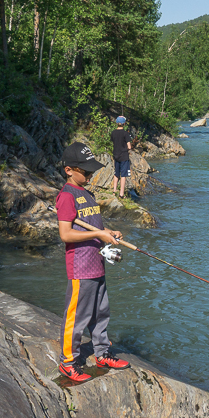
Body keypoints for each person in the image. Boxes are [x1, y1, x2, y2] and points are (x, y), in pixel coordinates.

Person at [55, 141, 131, 382]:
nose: (89, 176)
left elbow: (94, 226)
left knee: (101, 313)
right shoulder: (67, 197)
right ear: (69, 170)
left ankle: (102, 353)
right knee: (77, 317)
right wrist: (98, 234)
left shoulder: (87, 194)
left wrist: (108, 231)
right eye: (85, 172)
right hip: (80, 267)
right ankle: (68, 362)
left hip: (96, 264)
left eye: (91, 172)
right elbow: (66, 234)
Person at [110, 116, 132, 198]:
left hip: (116, 155)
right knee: (123, 175)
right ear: (124, 124)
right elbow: (129, 147)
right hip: (124, 156)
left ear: (116, 123)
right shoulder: (125, 133)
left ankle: (114, 191)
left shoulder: (113, 133)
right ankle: (121, 194)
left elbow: (113, 142)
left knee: (116, 173)